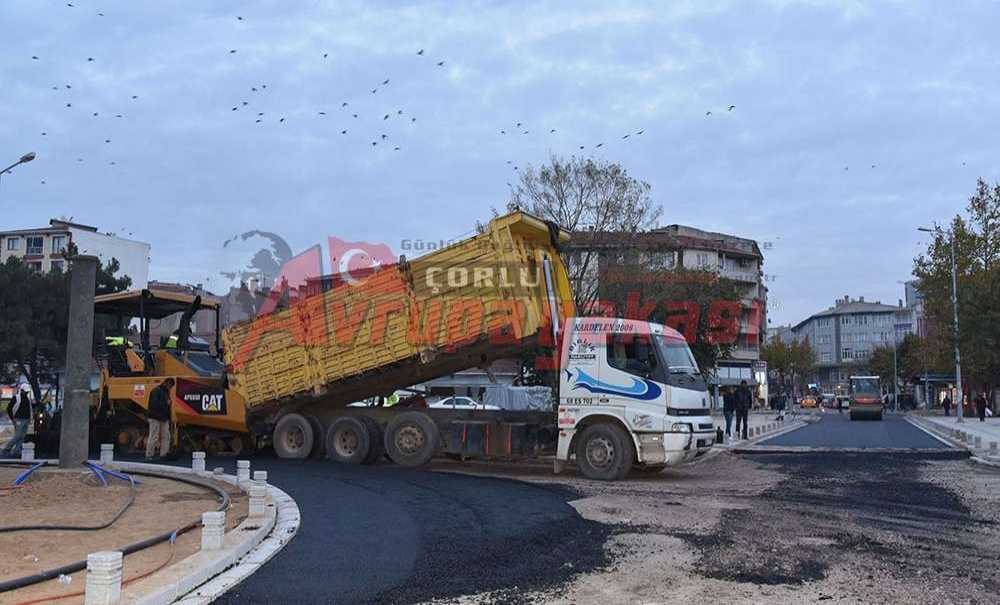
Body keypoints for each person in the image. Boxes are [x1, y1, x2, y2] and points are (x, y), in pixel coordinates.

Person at [146, 378, 174, 460]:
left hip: (162, 417)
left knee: (166, 435)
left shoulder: (164, 392)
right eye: (170, 385)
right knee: (154, 436)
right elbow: (153, 404)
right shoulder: (156, 391)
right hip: (155, 417)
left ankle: (163, 454)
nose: (170, 387)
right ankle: (149, 455)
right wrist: (166, 403)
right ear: (166, 383)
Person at [2, 386, 33, 458]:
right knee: (17, 436)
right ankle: (6, 449)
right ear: (22, 390)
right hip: (19, 419)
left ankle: (17, 451)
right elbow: (9, 408)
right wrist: (12, 418)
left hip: (26, 419)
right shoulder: (16, 398)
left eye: (27, 392)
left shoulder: (28, 399)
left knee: (22, 436)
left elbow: (30, 408)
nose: (26, 393)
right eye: (25, 391)